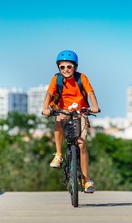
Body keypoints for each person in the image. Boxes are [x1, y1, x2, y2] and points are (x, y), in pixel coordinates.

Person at [42, 50, 100, 193]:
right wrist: (45, 108)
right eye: (62, 67)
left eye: (69, 66)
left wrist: (95, 106)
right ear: (59, 68)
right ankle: (59, 154)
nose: (66, 70)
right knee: (59, 119)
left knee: (81, 144)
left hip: (81, 111)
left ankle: (86, 179)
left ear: (75, 67)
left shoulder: (82, 78)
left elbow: (90, 93)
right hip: (63, 110)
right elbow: (49, 93)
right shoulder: (56, 79)